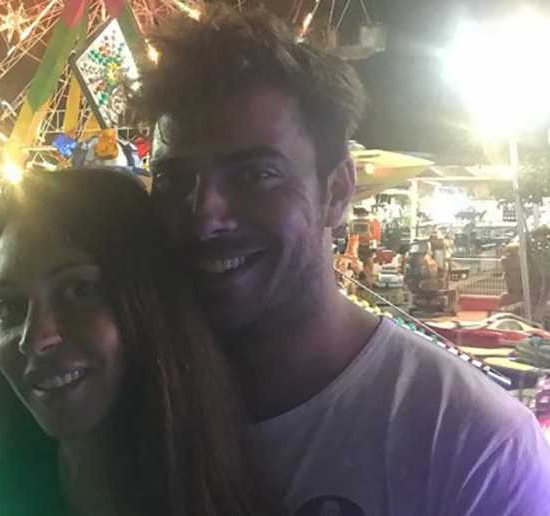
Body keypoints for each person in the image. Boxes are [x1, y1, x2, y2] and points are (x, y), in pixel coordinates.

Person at [135, 5, 550, 515]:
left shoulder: (472, 446)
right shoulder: (134, 406)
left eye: (256, 175)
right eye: (174, 180)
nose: (205, 217)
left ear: (336, 191)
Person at [0, 169, 273, 516]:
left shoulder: (243, 489)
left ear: (153, 302)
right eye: (9, 307)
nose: (35, 339)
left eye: (78, 291)